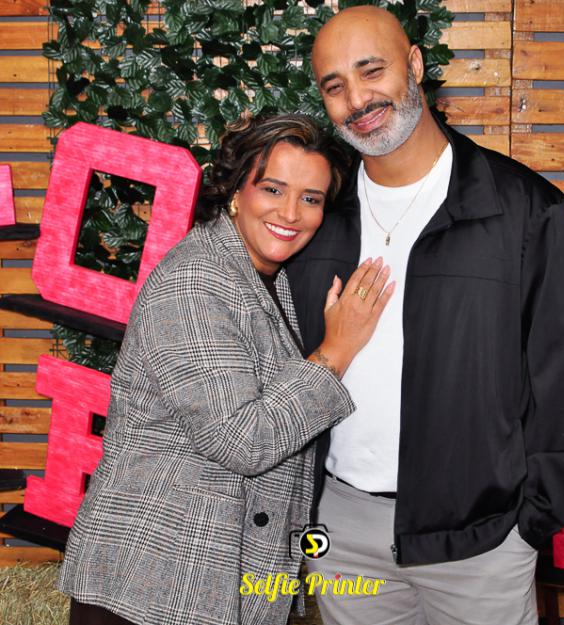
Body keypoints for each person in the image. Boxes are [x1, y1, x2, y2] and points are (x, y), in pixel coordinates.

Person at [285, 7, 564, 625]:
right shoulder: (315, 215)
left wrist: (527, 525)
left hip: (482, 544)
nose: (357, 100)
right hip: (340, 531)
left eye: (371, 71)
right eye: (335, 86)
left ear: (414, 65)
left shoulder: (526, 211)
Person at [58, 113, 395, 625]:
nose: (291, 213)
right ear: (237, 191)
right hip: (150, 584)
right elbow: (242, 440)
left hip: (205, 580)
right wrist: (336, 351)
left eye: (311, 198)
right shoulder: (195, 280)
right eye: (273, 189)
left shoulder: (264, 276)